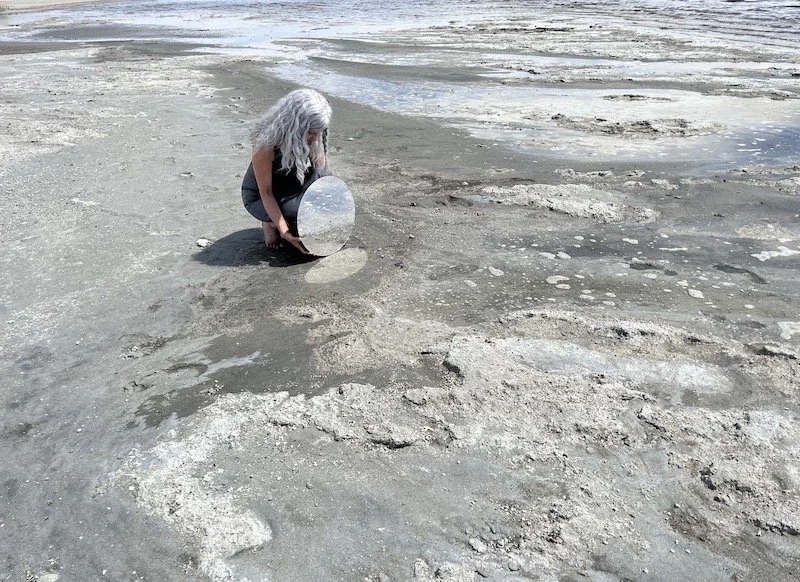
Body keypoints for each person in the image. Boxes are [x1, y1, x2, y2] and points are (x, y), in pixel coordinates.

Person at [242, 88, 332, 253]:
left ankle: (286, 218)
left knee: (323, 201)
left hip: (293, 185)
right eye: (311, 133)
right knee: (295, 214)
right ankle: (269, 223)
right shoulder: (265, 146)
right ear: (294, 127)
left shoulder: (316, 135)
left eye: (319, 133)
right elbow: (266, 192)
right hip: (263, 195)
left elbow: (322, 174)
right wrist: (285, 232)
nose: (315, 138)